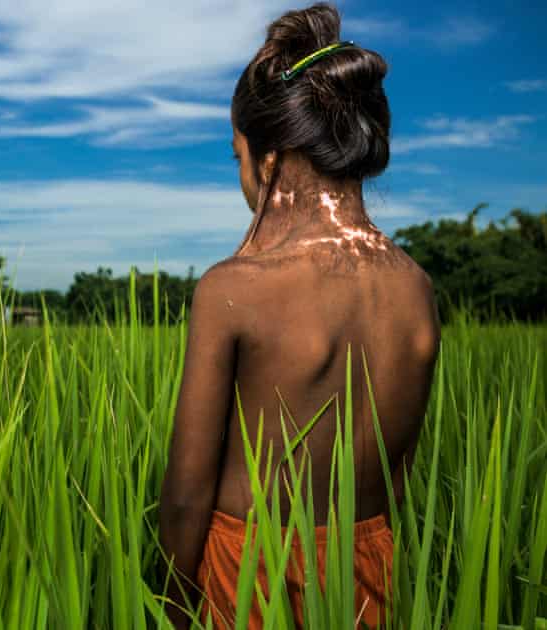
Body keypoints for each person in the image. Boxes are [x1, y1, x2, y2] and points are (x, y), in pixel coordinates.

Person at [157, 3, 441, 629]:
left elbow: (185, 494)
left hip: (248, 569)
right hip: (367, 566)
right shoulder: (415, 287)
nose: (240, 174)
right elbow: (397, 477)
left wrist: (173, 604)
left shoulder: (234, 287)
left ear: (268, 159)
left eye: (237, 157)